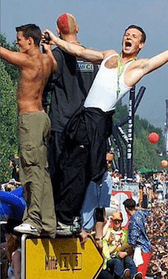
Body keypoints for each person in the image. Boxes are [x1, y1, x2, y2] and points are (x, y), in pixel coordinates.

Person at [43, 26, 168, 232]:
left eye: (134, 37)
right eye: (126, 34)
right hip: (82, 117)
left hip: (97, 121)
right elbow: (78, 51)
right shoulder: (107, 56)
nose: (128, 38)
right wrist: (55, 41)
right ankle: (57, 214)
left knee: (80, 170)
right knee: (65, 164)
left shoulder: (138, 67)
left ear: (141, 45)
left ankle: (67, 218)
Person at [0, 24, 57, 237]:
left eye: (19, 39)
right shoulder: (47, 61)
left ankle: (33, 219)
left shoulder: (28, 60)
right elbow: (53, 60)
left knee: (31, 171)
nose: (17, 43)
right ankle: (48, 223)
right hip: (42, 117)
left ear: (30, 41)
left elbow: (2, 53)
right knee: (42, 172)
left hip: (29, 120)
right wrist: (49, 46)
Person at [44, 13, 98, 181]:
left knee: (57, 175)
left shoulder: (56, 56)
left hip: (60, 125)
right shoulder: (90, 58)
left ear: (57, 31)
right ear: (77, 29)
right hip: (83, 127)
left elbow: (45, 84)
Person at [79, 151, 115, 244]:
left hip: (87, 230)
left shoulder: (107, 180)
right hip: (76, 226)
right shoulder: (84, 174)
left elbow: (100, 210)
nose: (107, 164)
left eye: (110, 162)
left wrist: (99, 237)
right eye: (105, 161)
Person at [103, 211, 139, 279]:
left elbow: (131, 247)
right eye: (115, 221)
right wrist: (110, 242)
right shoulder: (107, 231)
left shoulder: (126, 233)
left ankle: (134, 276)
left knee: (129, 260)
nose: (117, 223)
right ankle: (122, 277)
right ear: (112, 221)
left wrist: (125, 253)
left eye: (119, 221)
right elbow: (105, 249)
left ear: (121, 221)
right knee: (117, 262)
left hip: (123, 256)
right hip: (111, 258)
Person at [124, 198, 151, 278]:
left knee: (139, 275)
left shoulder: (133, 221)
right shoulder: (140, 214)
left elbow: (132, 242)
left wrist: (120, 250)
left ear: (126, 209)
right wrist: (134, 207)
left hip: (141, 250)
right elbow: (147, 211)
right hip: (146, 248)